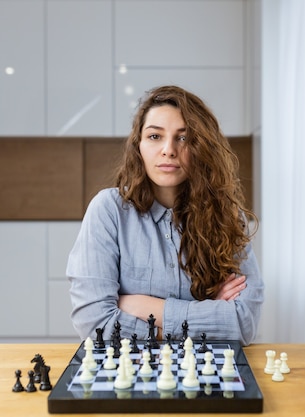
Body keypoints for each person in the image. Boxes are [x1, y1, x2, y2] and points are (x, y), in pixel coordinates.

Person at [66, 85, 264, 346]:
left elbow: (243, 323)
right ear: (138, 146)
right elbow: (95, 324)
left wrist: (140, 306)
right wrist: (207, 315)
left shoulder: (228, 216)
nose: (169, 150)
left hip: (206, 377)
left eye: (183, 138)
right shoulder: (108, 210)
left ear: (201, 147)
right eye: (155, 136)